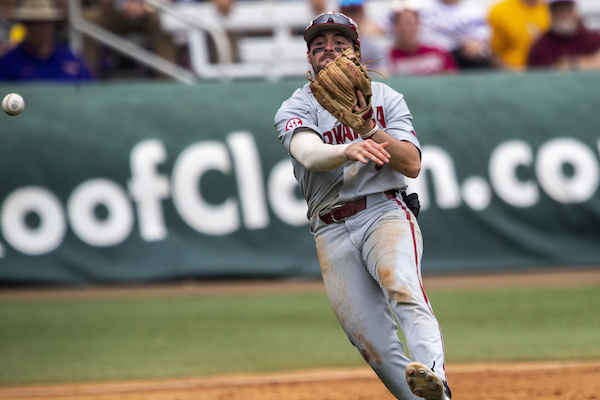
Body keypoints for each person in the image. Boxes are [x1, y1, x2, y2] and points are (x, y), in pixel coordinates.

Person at [274, 11, 451, 400]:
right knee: (370, 343)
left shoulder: (386, 97)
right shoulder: (294, 107)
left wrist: (367, 126)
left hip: (384, 211)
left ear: (357, 52)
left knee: (402, 285)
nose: (329, 51)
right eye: (318, 47)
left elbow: (412, 164)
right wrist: (347, 149)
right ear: (309, 59)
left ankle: (437, 376)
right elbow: (309, 154)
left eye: (339, 44)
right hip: (330, 227)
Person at [0, 0, 94, 81]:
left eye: (43, 23)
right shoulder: (8, 62)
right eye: (32, 23)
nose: (38, 29)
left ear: (52, 25)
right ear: (25, 25)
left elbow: (91, 91)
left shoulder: (71, 60)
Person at [82, 0, 180, 78]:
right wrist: (121, 4)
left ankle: (166, 78)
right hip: (115, 11)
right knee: (86, 19)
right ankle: (87, 78)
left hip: (152, 11)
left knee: (163, 22)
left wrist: (145, 7)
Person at [387, 0, 458, 76]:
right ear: (394, 26)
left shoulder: (438, 53)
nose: (405, 28)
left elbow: (452, 79)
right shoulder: (387, 57)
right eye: (400, 24)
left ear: (418, 24)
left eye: (409, 23)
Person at [417, 0, 492, 69]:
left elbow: (483, 38)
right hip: (430, 56)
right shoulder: (423, 6)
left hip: (462, 56)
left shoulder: (476, 9)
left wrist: (477, 42)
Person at [528, 0, 600, 70]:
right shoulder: (540, 47)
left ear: (574, 10)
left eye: (567, 8)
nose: (563, 14)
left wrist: (574, 64)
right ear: (550, 12)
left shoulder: (593, 40)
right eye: (558, 9)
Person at [488, 0, 550, 70]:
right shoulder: (500, 11)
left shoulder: (550, 8)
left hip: (545, 72)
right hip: (510, 73)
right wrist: (517, 74)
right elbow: (493, 54)